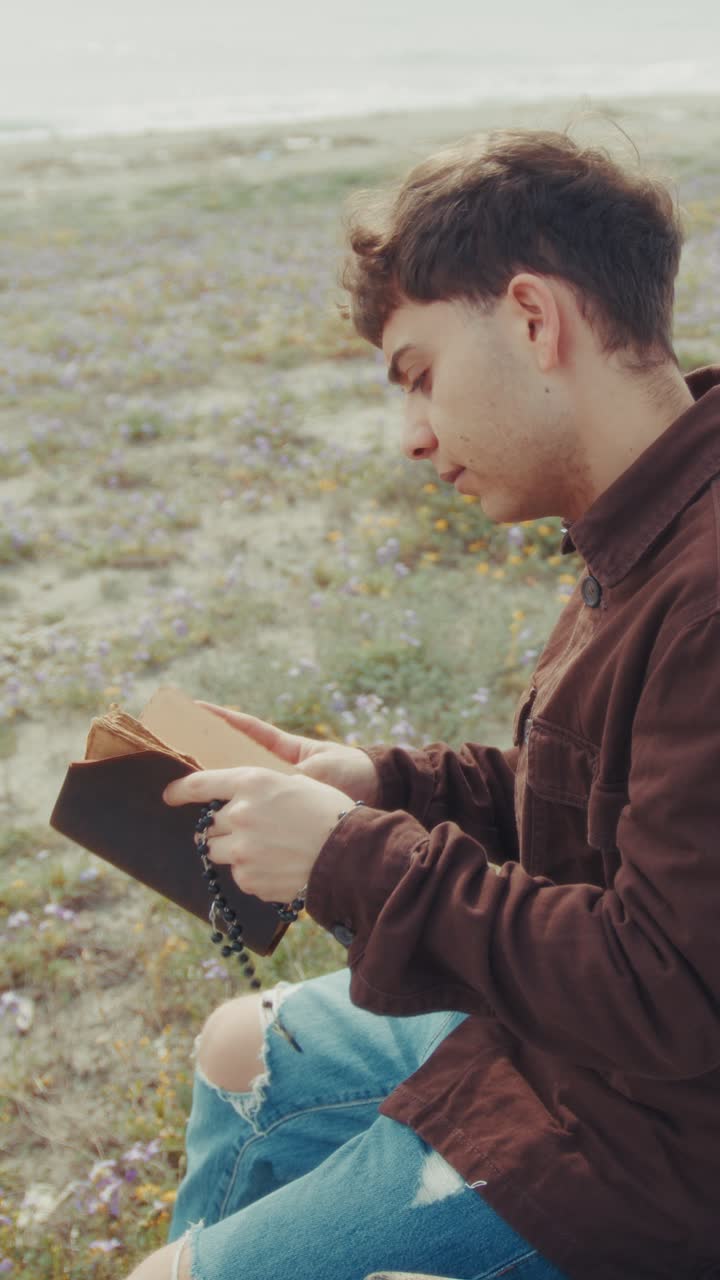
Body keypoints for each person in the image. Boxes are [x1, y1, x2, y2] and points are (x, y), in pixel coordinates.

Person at [126, 128, 720, 1280]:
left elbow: (672, 992)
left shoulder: (705, 592)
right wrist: (380, 784)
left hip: (650, 1147)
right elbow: (615, 808)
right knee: (241, 1043)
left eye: (418, 373)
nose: (409, 434)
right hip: (583, 1057)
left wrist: (354, 855)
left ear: (534, 320)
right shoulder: (649, 517)